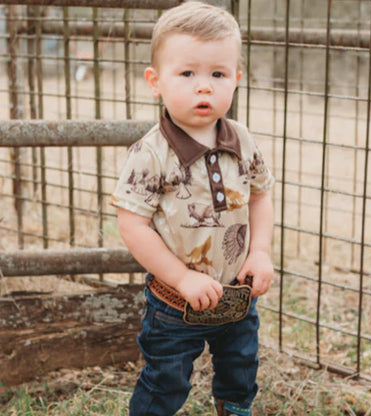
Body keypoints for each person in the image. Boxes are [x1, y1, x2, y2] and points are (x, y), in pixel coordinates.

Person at [111, 2, 275, 415]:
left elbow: (260, 195)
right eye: (187, 74)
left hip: (237, 293)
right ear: (155, 81)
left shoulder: (242, 139)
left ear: (236, 79)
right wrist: (182, 278)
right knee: (165, 381)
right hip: (175, 302)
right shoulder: (150, 153)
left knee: (241, 370)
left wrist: (259, 252)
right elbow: (132, 225)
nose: (204, 87)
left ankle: (234, 408)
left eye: (218, 74)